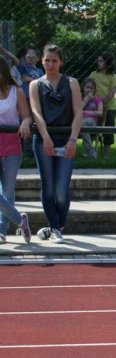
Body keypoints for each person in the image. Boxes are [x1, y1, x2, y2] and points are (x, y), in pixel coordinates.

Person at [29, 44, 82, 244]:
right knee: (48, 187)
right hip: (44, 138)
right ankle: (55, 227)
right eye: (47, 60)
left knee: (61, 189)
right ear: (42, 61)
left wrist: (72, 140)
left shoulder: (72, 83)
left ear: (61, 62)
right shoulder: (36, 84)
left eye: (54, 60)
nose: (50, 64)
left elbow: (78, 113)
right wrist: (46, 137)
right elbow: (36, 112)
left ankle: (56, 225)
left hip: (66, 137)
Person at [0, 57, 33, 244]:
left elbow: (26, 116)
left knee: (8, 190)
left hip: (11, 145)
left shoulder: (16, 91)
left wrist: (26, 124)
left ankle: (1, 231)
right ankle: (20, 220)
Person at [88, 51, 116, 157]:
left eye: (101, 61)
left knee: (108, 129)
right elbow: (89, 88)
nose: (98, 62)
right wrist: (95, 101)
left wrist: (103, 102)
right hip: (94, 107)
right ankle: (89, 150)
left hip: (109, 107)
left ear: (107, 63)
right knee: (93, 128)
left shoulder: (113, 77)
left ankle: (106, 154)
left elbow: (112, 92)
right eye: (98, 60)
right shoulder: (93, 74)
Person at [80, 78, 103, 159]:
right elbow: (79, 109)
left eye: (91, 88)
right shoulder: (79, 98)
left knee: (81, 124)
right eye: (87, 87)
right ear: (83, 88)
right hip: (80, 122)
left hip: (92, 121)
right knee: (81, 124)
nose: (89, 89)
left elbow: (100, 112)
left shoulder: (97, 99)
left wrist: (85, 112)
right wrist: (86, 99)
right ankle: (91, 152)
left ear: (94, 89)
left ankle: (89, 151)